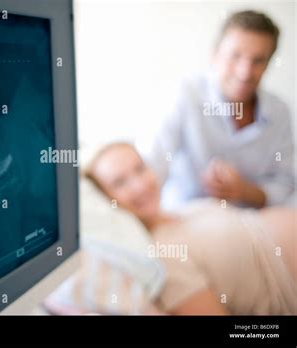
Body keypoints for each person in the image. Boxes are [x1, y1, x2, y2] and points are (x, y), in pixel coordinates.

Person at [85, 142, 296, 315]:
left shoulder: (186, 208)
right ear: (106, 201)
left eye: (140, 168)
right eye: (119, 183)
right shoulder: (163, 257)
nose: (140, 185)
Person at [147, 10, 295, 209]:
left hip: (250, 226)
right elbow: (154, 165)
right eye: (235, 56)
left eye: (258, 60)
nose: (245, 72)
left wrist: (245, 191)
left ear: (269, 63)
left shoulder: (279, 112)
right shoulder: (186, 94)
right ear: (215, 54)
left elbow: (285, 183)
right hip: (185, 218)